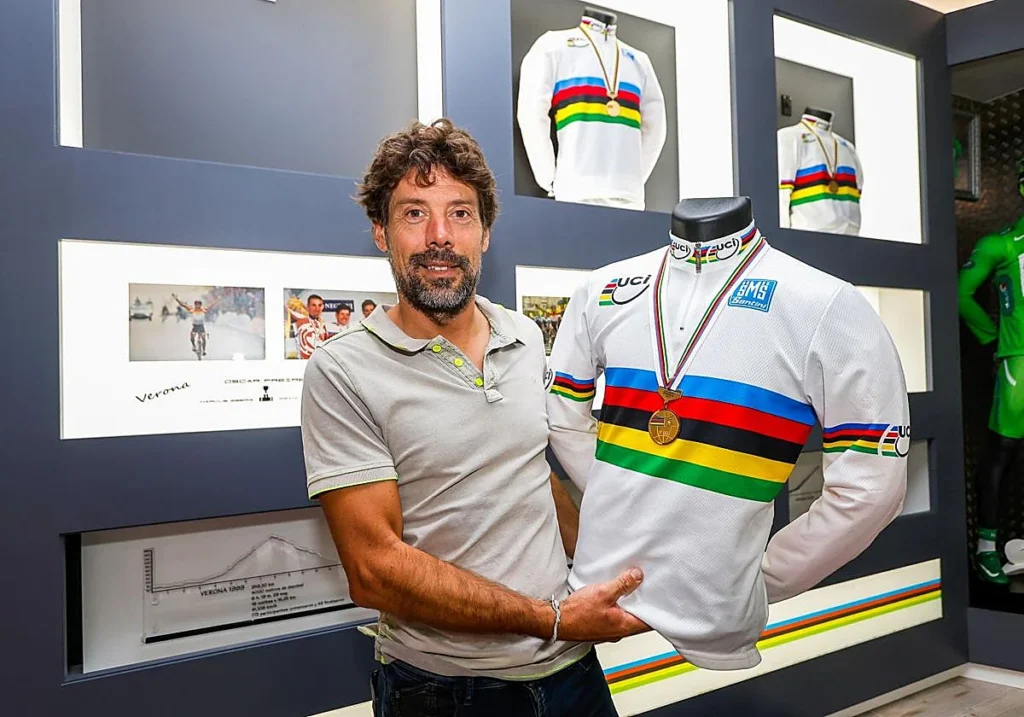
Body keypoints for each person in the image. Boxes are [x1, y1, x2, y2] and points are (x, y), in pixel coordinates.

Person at [300, 119, 646, 717]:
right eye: (414, 213)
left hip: (573, 671)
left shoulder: (524, 336)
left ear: (485, 233)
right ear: (381, 231)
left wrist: (608, 569)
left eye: (460, 213)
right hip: (446, 692)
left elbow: (529, 474)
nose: (440, 236)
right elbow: (374, 570)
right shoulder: (342, 371)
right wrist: (552, 618)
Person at [291, 294, 330, 360]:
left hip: (319, 361)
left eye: (319, 305)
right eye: (314, 305)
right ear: (308, 307)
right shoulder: (299, 321)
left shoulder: (323, 325)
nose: (317, 309)